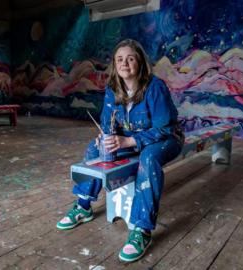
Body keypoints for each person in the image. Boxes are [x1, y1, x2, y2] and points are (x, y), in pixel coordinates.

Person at [56, 39, 183, 262]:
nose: (125, 63)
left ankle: (141, 229)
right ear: (115, 65)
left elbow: (164, 128)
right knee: (95, 149)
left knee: (149, 157)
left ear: (140, 62)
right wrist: (105, 137)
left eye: (130, 58)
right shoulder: (112, 89)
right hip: (131, 140)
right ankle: (84, 205)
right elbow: (108, 123)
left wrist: (127, 142)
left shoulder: (155, 87)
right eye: (120, 59)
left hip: (166, 139)